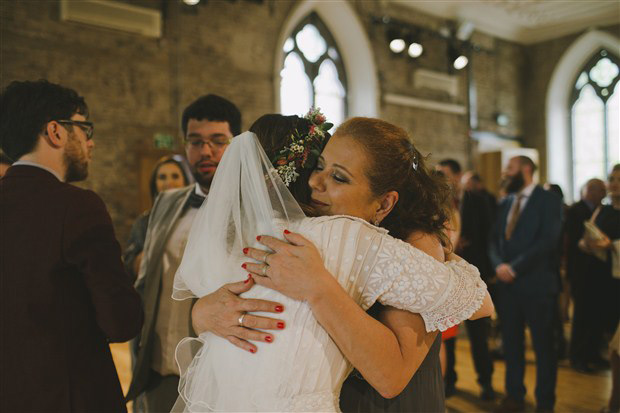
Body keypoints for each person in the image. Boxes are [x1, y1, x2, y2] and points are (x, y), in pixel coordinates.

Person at [175, 114, 493, 411]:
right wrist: (205, 313)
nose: (315, 182)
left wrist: (318, 287)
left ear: (384, 204)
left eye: (338, 177)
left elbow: (390, 377)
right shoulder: (291, 235)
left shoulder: (413, 241)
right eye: (319, 166)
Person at [0, 79, 143, 412]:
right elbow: (121, 321)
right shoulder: (76, 206)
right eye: (84, 128)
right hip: (72, 396)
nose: (90, 143)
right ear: (56, 131)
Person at [125, 94, 241, 412]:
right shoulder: (166, 203)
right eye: (195, 141)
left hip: (216, 373)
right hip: (157, 365)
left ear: (237, 144)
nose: (206, 151)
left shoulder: (250, 213)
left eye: (218, 141)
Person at [489, 156, 563, 413]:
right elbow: (494, 238)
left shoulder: (548, 199)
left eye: (510, 168)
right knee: (511, 342)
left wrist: (515, 268)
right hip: (507, 286)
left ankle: (544, 402)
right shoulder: (507, 201)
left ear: (526, 169)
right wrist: (499, 265)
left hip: (537, 284)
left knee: (543, 346)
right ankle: (514, 395)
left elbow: (548, 240)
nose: (505, 173)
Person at [437, 159, 496, 400]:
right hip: (445, 277)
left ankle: (486, 382)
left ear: (458, 176)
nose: (440, 178)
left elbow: (489, 234)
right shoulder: (435, 201)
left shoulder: (479, 201)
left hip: (474, 273)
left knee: (478, 336)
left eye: (444, 173)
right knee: (447, 338)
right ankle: (449, 381)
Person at [123, 155, 191, 284]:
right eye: (162, 177)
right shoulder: (144, 222)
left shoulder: (196, 218)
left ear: (186, 182)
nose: (169, 182)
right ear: (155, 184)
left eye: (175, 176)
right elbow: (129, 264)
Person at [565, 178, 608, 372]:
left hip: (598, 272)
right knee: (581, 315)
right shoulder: (576, 211)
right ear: (590, 191)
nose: (605, 194)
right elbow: (571, 240)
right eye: (602, 190)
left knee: (597, 314)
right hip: (581, 270)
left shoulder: (603, 211)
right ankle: (578, 356)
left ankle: (593, 353)